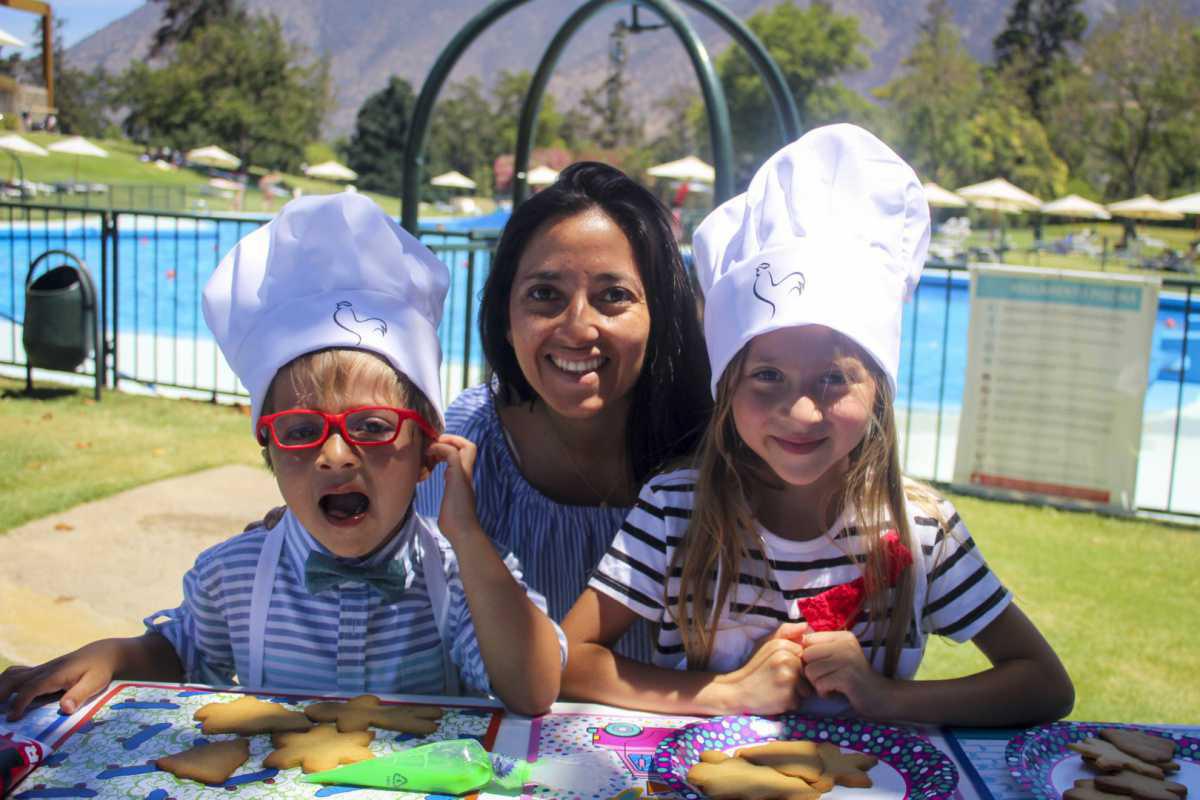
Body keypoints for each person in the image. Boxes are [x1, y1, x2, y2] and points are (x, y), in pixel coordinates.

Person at [561, 125, 1074, 726]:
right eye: (768, 377)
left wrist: (886, 699)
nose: (801, 411)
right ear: (727, 388)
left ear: (877, 389)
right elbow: (570, 661)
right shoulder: (676, 512)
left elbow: (1044, 684)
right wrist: (723, 694)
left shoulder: (923, 532)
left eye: (833, 379)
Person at [0, 194, 565, 720]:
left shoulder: (459, 575)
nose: (336, 456)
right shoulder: (233, 576)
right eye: (301, 431)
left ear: (427, 453)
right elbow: (179, 652)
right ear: (268, 450)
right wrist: (118, 657)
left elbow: (532, 689)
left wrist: (466, 534)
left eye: (371, 427)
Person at [413, 162, 712, 662]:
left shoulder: (716, 457)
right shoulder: (465, 445)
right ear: (505, 317)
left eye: (613, 296)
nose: (577, 328)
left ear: (659, 315)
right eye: (544, 295)